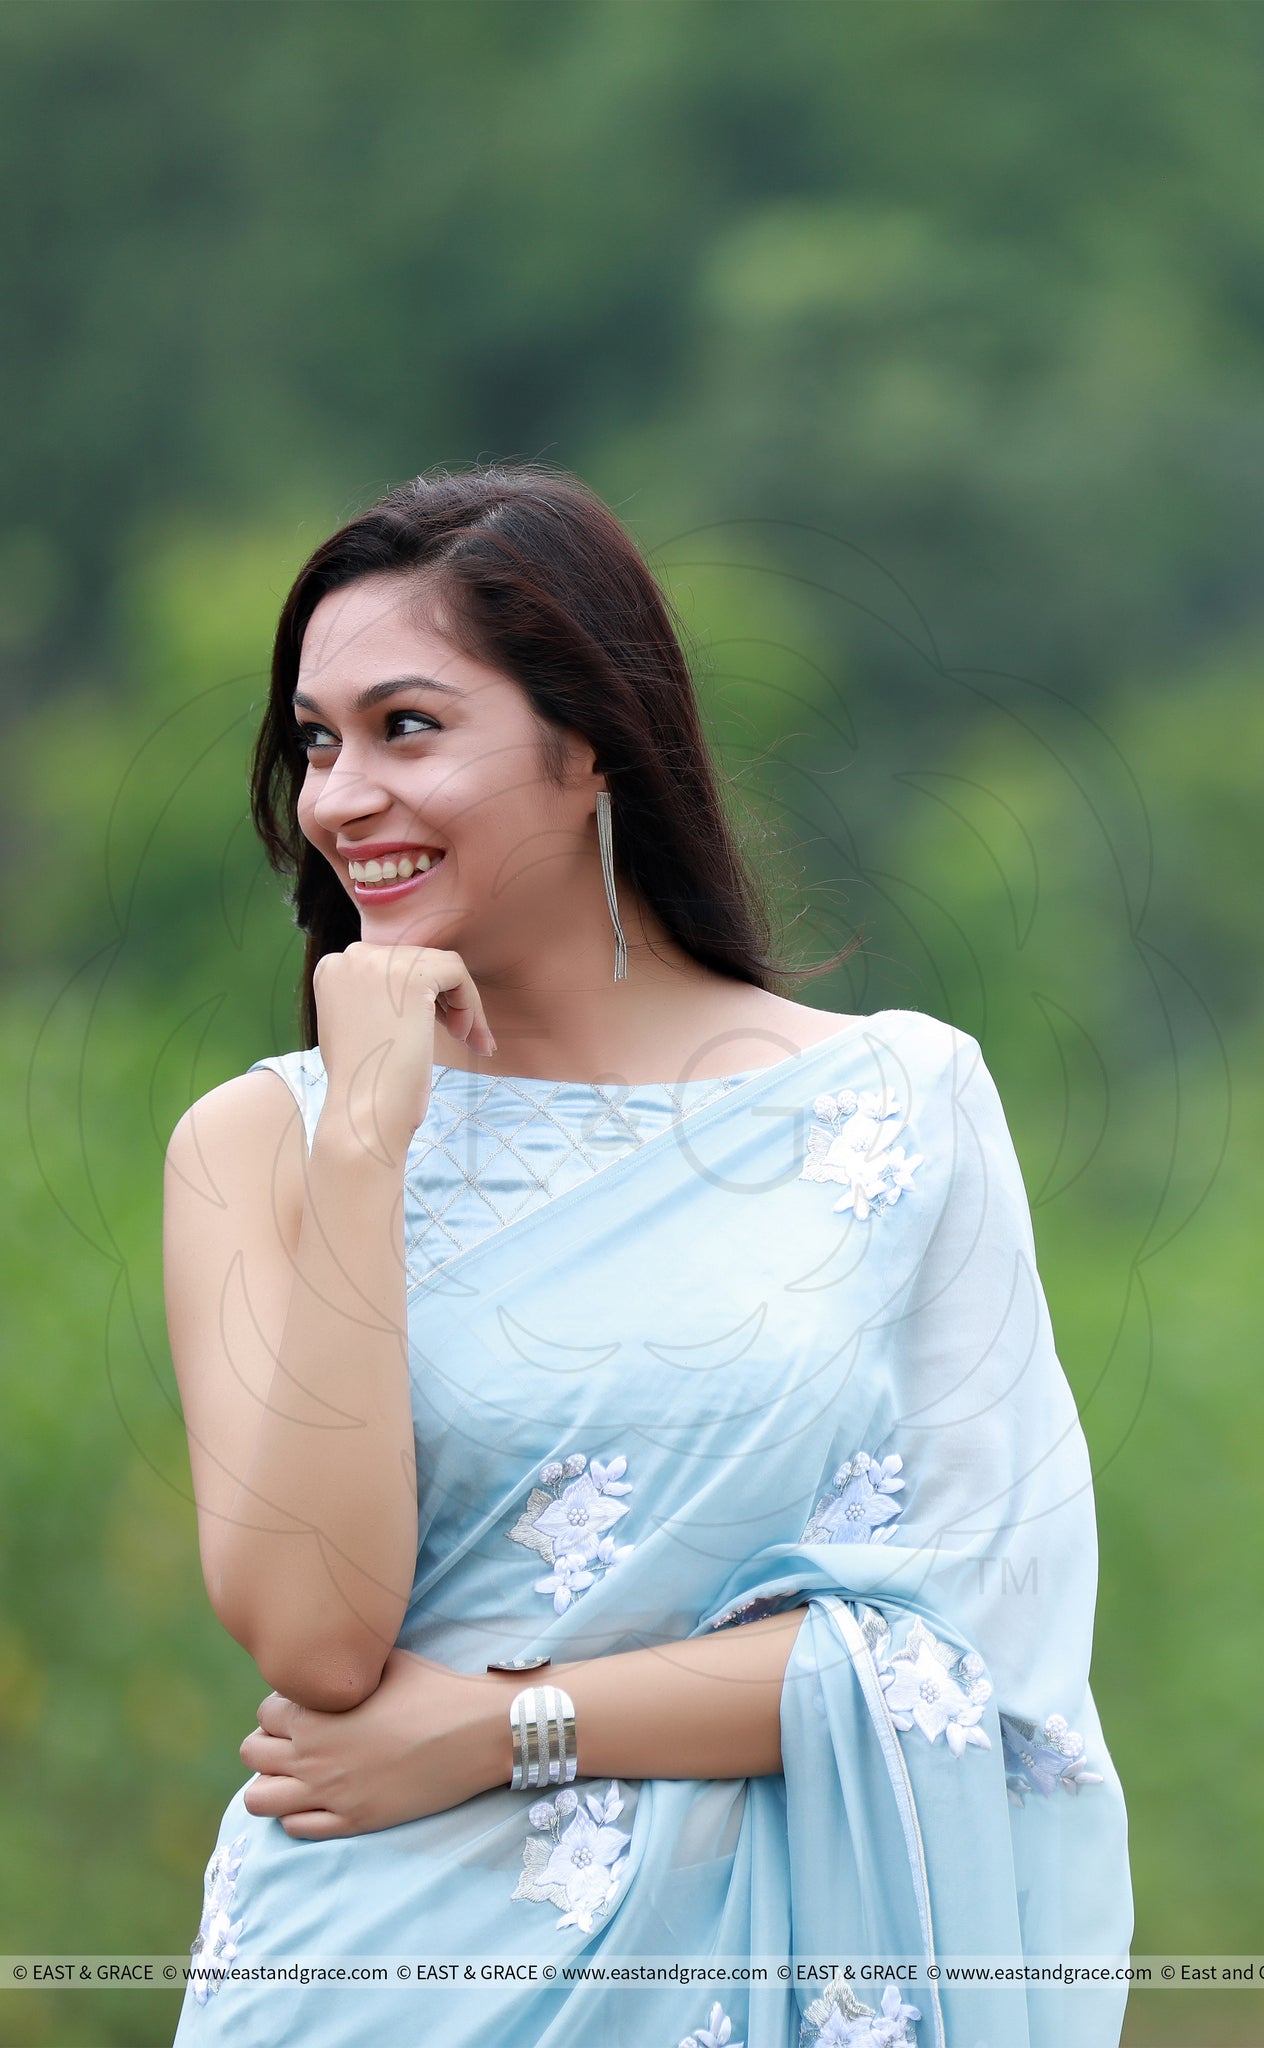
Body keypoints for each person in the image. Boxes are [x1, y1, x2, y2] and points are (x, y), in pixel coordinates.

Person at [164, 463, 1132, 2048]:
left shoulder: (896, 1105)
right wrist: (363, 1153)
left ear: (589, 740)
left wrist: (502, 1730)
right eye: (317, 743)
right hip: (369, 1980)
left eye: (407, 728)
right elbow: (317, 1637)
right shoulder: (259, 1144)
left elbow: (979, 1651)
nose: (340, 797)